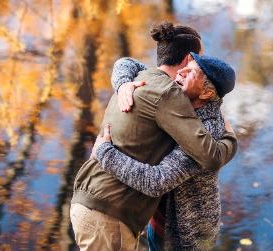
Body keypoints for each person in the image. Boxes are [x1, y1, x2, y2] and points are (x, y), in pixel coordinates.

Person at [70, 22, 237, 251]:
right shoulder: (168, 93)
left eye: (195, 71)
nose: (186, 72)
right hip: (109, 214)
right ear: (188, 58)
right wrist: (231, 140)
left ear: (208, 91)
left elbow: (124, 62)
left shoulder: (145, 78)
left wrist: (104, 151)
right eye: (196, 61)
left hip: (178, 236)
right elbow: (211, 156)